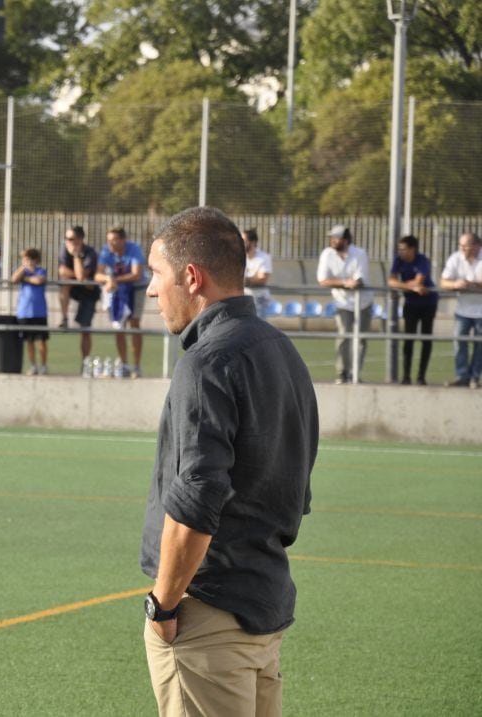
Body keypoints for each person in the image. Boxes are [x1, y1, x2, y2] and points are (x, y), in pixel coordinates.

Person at [141, 206, 318, 717]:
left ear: (191, 277)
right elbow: (297, 487)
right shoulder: (281, 350)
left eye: (157, 274)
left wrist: (164, 604)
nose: (152, 290)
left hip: (208, 615)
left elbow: (197, 496)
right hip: (263, 605)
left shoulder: (207, 362)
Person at [317, 225, 373, 384]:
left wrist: (350, 283)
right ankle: (342, 372)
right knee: (343, 336)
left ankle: (354, 374)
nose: (333, 240)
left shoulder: (359, 253)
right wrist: (344, 283)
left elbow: (358, 280)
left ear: (346, 240)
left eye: (337, 237)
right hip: (342, 302)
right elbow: (323, 280)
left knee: (360, 339)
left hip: (363, 302)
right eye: (332, 237)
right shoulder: (327, 254)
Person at [388, 235, 438, 385]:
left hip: (428, 303)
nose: (400, 252)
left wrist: (400, 284)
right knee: (408, 340)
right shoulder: (398, 260)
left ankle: (421, 376)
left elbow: (419, 281)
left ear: (412, 249)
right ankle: (406, 376)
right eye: (399, 249)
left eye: (403, 249)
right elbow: (391, 281)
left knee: (426, 339)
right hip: (410, 303)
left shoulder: (422, 260)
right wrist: (410, 287)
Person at [95, 227, 143, 378]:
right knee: (118, 326)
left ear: (123, 240)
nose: (111, 243)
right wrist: (109, 279)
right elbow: (98, 275)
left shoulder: (134, 249)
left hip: (136, 289)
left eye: (114, 240)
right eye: (109, 240)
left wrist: (114, 279)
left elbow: (136, 274)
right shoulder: (106, 251)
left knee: (134, 323)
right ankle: (124, 364)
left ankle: (136, 366)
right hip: (117, 290)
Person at [439, 232, 482, 388]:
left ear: (477, 246)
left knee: (480, 346)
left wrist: (473, 285)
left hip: (481, 312)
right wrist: (455, 284)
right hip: (462, 310)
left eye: (466, 246)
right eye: (461, 245)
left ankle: (474, 377)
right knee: (459, 343)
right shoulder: (455, 258)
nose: (462, 249)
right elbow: (443, 282)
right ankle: (462, 376)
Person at [57, 226, 100, 362]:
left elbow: (82, 276)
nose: (67, 241)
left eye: (70, 239)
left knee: (85, 329)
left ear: (80, 240)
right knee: (64, 282)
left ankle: (85, 362)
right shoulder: (64, 249)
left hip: (89, 292)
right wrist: (78, 277)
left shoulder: (90, 253)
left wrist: (76, 256)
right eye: (66, 238)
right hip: (74, 287)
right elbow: (63, 272)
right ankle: (64, 318)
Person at [11, 248, 49, 375]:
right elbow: (14, 279)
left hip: (39, 312)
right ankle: (33, 365)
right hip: (25, 312)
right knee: (29, 341)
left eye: (28, 259)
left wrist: (26, 279)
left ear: (35, 260)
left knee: (41, 341)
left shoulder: (40, 271)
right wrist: (23, 268)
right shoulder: (23, 272)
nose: (25, 261)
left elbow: (38, 280)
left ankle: (43, 365)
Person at [242, 228, 273, 318]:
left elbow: (262, 279)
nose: (240, 243)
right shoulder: (240, 257)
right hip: (244, 299)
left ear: (252, 242)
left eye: (244, 240)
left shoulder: (264, 257)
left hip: (259, 300)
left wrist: (244, 280)